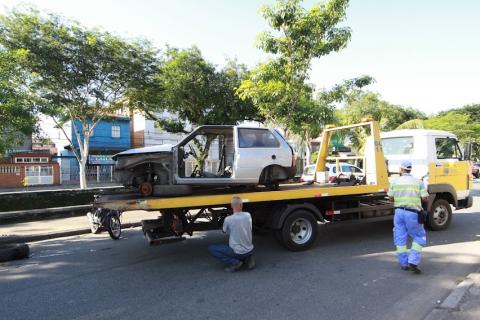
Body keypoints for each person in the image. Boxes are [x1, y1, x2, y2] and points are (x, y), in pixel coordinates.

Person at [388, 160, 429, 274]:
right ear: (410, 169)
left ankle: (404, 263)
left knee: (400, 237)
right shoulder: (418, 182)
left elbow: (390, 198)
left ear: (401, 169)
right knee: (419, 236)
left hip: (399, 212)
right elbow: (425, 198)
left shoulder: (394, 182)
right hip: (413, 213)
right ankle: (413, 261)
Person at [208, 196, 255, 272]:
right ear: (241, 205)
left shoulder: (228, 219)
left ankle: (236, 262)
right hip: (249, 250)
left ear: (231, 206)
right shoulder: (248, 215)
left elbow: (223, 232)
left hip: (237, 252)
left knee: (212, 248)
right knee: (241, 247)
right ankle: (248, 258)